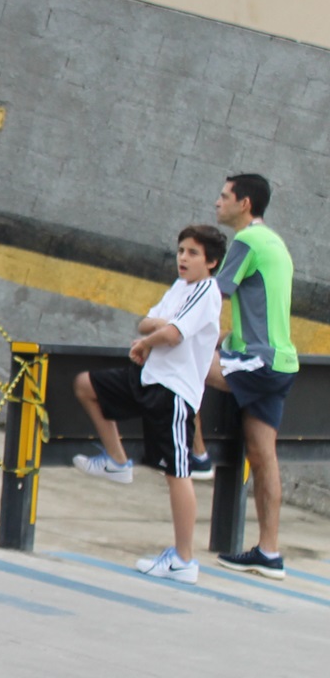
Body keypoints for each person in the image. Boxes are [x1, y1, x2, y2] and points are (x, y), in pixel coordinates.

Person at [69, 225, 225, 582]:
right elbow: (146, 323)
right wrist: (158, 330)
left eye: (193, 253)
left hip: (174, 392)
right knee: (86, 385)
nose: (183, 258)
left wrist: (148, 341)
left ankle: (184, 560)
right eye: (181, 251)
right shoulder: (179, 287)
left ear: (211, 262)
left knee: (177, 473)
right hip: (149, 379)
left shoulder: (207, 292)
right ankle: (117, 461)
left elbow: (170, 334)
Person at [208, 174, 297, 579]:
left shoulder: (246, 241)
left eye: (224, 196)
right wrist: (230, 337)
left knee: (186, 362)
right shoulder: (275, 242)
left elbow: (213, 295)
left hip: (258, 363)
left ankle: (195, 455)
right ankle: (269, 553)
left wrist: (166, 331)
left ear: (244, 204)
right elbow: (263, 308)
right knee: (262, 455)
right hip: (282, 363)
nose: (217, 203)